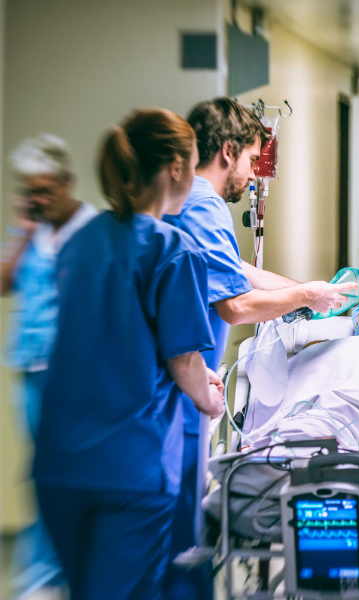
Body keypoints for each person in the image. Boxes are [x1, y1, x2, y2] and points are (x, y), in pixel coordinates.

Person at [162, 97, 359, 599]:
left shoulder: (189, 203)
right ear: (228, 151)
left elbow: (239, 272)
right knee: (177, 530)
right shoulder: (205, 204)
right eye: (250, 160)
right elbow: (237, 305)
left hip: (183, 380)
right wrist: (309, 296)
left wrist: (328, 297)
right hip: (183, 387)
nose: (252, 173)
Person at [32, 108, 225, 600]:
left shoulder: (80, 241)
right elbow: (183, 362)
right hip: (131, 469)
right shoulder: (173, 249)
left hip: (60, 462)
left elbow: (105, 337)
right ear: (178, 168)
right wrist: (210, 397)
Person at [1, 134, 96, 600]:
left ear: (66, 181)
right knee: (42, 473)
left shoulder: (92, 228)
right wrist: (22, 227)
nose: (37, 198)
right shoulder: (30, 230)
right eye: (29, 190)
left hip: (76, 376)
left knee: (70, 473)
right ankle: (41, 577)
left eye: (44, 189)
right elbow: (4, 282)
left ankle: (67, 571)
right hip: (31, 369)